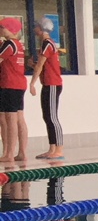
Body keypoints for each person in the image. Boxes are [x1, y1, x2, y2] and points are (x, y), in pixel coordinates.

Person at [29, 25, 61, 160]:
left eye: (36, 27)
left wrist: (32, 83)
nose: (34, 29)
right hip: (48, 84)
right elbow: (43, 66)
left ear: (42, 29)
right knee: (47, 116)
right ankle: (52, 148)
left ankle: (59, 149)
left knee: (52, 117)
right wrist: (32, 65)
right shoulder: (47, 44)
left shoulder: (47, 44)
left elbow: (40, 65)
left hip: (53, 84)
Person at [0, 18, 27, 166]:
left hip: (10, 84)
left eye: (2, 27)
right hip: (19, 84)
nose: (0, 30)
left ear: (11, 29)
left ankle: (9, 154)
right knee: (19, 118)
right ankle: (22, 152)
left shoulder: (9, 44)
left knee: (10, 119)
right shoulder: (18, 44)